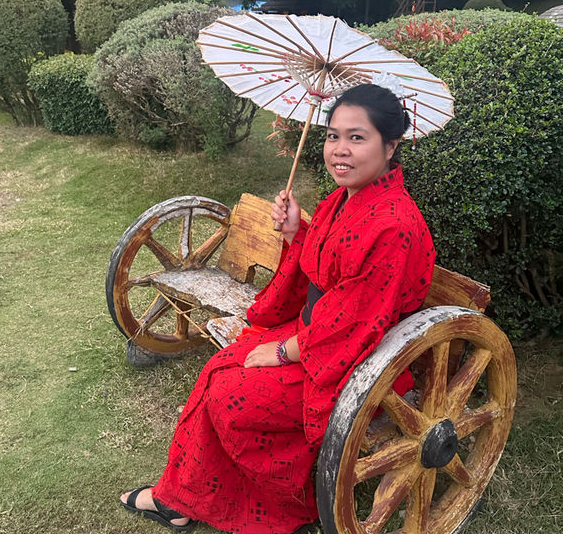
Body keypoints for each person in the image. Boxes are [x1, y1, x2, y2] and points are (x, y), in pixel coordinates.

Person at [120, 83, 436, 534]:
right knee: (218, 374)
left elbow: (358, 321)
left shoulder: (393, 224)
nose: (338, 151)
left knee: (232, 400)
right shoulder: (341, 201)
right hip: (321, 335)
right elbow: (327, 271)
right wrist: (295, 233)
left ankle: (284, 507)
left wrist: (286, 351)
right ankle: (183, 498)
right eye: (332, 136)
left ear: (391, 146)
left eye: (356, 138)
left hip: (357, 358)